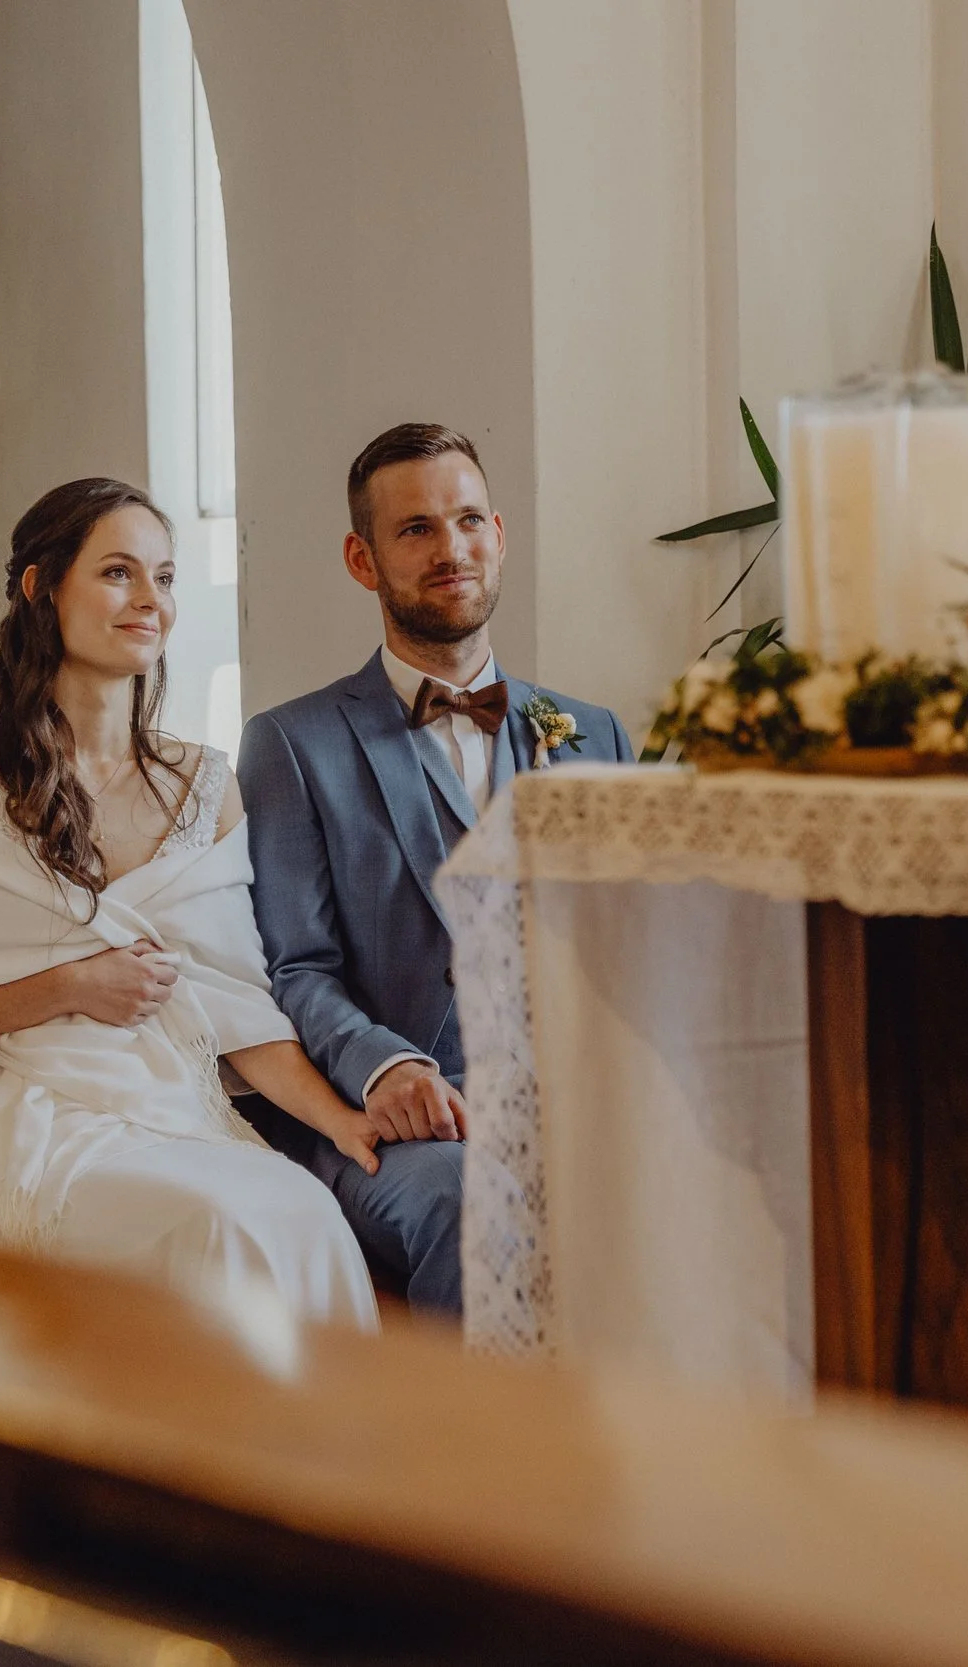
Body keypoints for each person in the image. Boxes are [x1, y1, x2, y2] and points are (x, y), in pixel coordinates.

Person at [0, 477, 379, 1330]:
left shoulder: (207, 784)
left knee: (305, 1210)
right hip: (44, 1120)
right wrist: (69, 986)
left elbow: (236, 1004)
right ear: (40, 587)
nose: (151, 601)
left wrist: (343, 1122)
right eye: (119, 573)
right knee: (217, 1225)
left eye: (165, 578)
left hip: (182, 1112)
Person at [239, 423, 632, 1317]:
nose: (449, 549)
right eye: (415, 529)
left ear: (497, 533)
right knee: (469, 1202)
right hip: (393, 1122)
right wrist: (387, 1070)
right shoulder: (290, 746)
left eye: (465, 522)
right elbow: (294, 967)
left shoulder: (595, 733)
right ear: (362, 557)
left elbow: (630, 942)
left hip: (569, 1099)